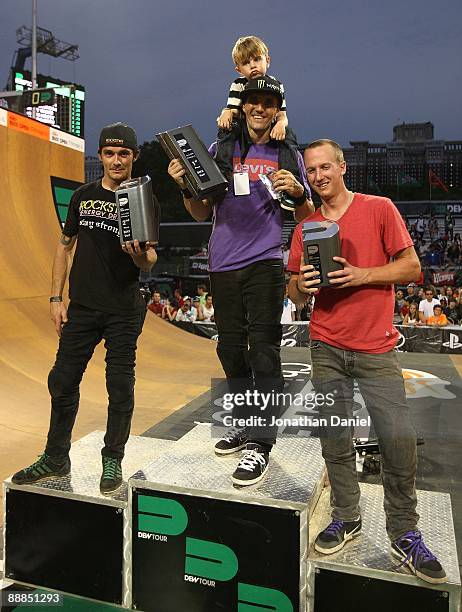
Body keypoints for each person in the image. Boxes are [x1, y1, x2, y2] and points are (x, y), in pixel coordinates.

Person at [288, 139, 446, 584]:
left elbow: (412, 267)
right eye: (311, 170)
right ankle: (346, 515)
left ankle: (403, 530)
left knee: (397, 438)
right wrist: (303, 284)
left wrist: (363, 275)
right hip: (325, 346)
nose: (318, 176)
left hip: (375, 347)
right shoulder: (306, 227)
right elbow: (294, 293)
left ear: (342, 168)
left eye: (325, 167)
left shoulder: (379, 208)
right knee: (335, 440)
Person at [168, 77, 313, 486]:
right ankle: (243, 421)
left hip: (266, 262)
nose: (260, 109)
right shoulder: (221, 149)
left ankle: (261, 443)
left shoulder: (288, 153)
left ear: (277, 109)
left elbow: (307, 216)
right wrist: (182, 183)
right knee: (231, 350)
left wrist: (300, 194)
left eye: (268, 103)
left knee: (264, 352)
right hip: (223, 263)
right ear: (243, 106)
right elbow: (199, 213)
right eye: (254, 102)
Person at [12, 123, 157, 494]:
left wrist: (140, 257)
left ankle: (113, 458)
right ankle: (56, 455)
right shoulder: (82, 196)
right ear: (101, 156)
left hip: (124, 309)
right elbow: (64, 245)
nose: (115, 161)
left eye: (123, 154)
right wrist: (55, 298)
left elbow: (150, 260)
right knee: (61, 380)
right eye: (108, 154)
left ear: (133, 157)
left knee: (120, 387)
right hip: (84, 308)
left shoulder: (143, 200)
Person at [217, 35, 288, 141]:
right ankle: (224, 157)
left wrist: (281, 124)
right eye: (246, 63)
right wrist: (226, 112)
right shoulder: (238, 84)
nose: (253, 66)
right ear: (239, 70)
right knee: (227, 132)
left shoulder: (276, 84)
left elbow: (282, 114)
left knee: (289, 136)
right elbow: (233, 110)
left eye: (257, 59)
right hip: (243, 130)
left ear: (267, 61)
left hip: (268, 129)